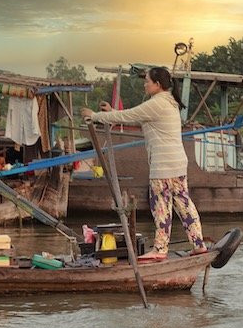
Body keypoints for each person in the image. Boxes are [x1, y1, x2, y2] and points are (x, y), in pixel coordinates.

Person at [80, 67, 207, 262]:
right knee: (184, 205)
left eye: (147, 80)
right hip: (177, 164)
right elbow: (137, 117)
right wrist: (112, 112)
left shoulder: (157, 103)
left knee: (161, 207)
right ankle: (199, 245)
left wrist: (95, 115)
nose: (144, 83)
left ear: (157, 84)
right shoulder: (169, 102)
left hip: (163, 166)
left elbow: (129, 116)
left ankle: (160, 249)